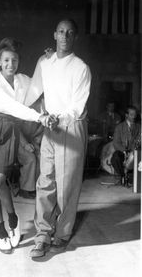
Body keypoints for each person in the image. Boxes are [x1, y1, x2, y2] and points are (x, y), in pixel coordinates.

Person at [0, 38, 56, 254]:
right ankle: (2, 232)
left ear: (18, 62)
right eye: (6, 60)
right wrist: (39, 117)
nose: (10, 64)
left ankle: (13, 218)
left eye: (14, 60)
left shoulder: (22, 80)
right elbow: (14, 108)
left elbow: (38, 83)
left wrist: (47, 59)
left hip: (10, 131)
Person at [24, 19, 92, 258]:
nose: (65, 36)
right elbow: (35, 90)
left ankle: (61, 234)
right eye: (61, 32)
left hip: (71, 128)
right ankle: (42, 235)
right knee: (45, 182)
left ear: (75, 38)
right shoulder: (45, 62)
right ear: (54, 34)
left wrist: (57, 119)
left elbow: (76, 106)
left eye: (70, 33)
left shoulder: (81, 68)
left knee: (67, 187)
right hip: (50, 128)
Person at [111, 105, 141, 186]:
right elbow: (116, 143)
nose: (134, 117)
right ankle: (123, 176)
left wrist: (133, 150)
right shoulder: (119, 127)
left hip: (134, 152)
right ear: (126, 115)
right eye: (131, 114)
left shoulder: (139, 127)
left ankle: (132, 176)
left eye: (135, 115)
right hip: (123, 151)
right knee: (115, 158)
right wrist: (124, 151)